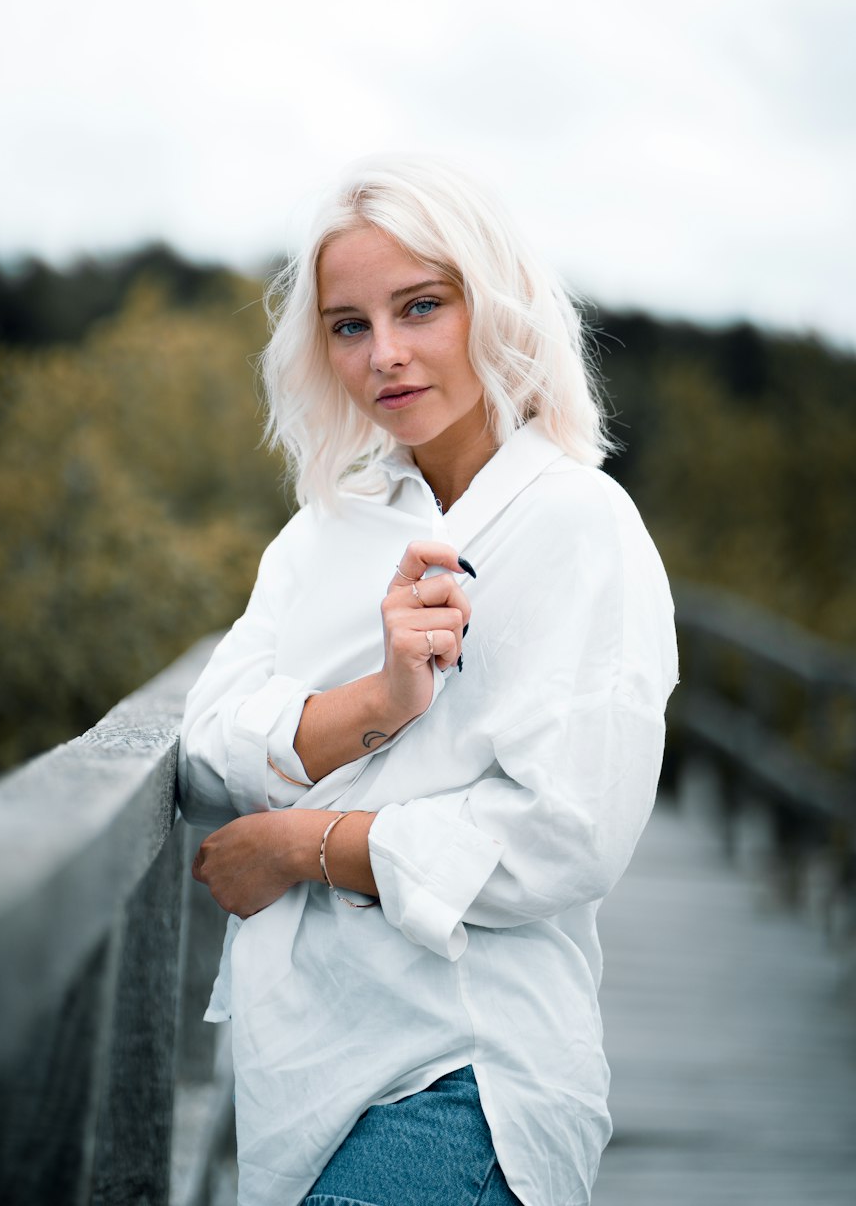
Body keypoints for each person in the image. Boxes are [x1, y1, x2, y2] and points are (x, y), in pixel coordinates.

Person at [177, 154, 678, 1206]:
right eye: (349, 323)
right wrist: (378, 702)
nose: (385, 355)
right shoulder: (327, 529)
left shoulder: (576, 524)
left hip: (464, 1072)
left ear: (492, 304)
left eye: (420, 307)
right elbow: (208, 741)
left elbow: (567, 830)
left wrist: (300, 843)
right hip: (301, 1078)